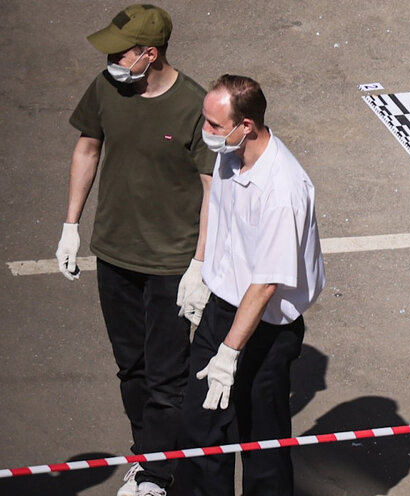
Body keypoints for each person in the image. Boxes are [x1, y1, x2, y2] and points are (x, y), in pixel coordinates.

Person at [53, 5, 215, 496]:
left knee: (167, 377)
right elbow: (88, 148)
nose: (110, 61)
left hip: (170, 264)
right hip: (115, 254)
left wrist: (201, 263)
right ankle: (148, 453)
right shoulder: (107, 88)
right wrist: (70, 226)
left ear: (150, 53)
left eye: (119, 52)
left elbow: (214, 190)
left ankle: (157, 475)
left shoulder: (195, 105)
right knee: (131, 367)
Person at [176, 74, 325, 495]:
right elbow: (216, 204)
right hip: (223, 308)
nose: (205, 132)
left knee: (262, 442)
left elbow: (265, 285)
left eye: (214, 125)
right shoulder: (229, 152)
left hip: (265, 326)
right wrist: (199, 266)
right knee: (200, 427)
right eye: (204, 120)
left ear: (247, 125)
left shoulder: (283, 191)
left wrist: (229, 353)